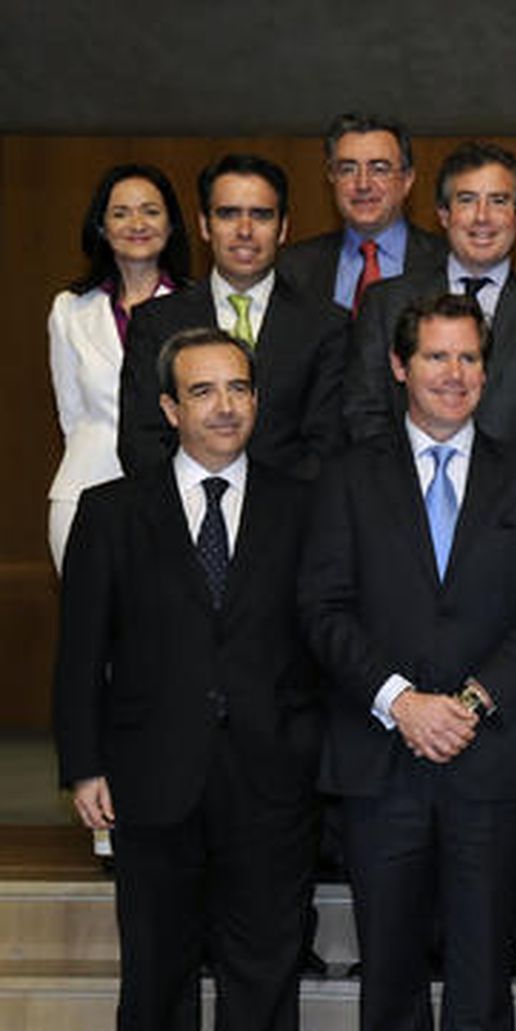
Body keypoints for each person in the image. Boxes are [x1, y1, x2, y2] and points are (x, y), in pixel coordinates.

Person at [301, 292, 516, 1031]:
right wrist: (401, 701)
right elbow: (322, 608)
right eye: (435, 356)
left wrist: (473, 703)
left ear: (487, 369)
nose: (453, 373)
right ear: (398, 365)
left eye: (468, 357)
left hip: (488, 759)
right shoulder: (348, 477)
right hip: (380, 758)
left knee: (484, 971)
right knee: (389, 972)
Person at [54, 327, 322, 1031]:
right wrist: (83, 767)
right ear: (170, 408)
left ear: (257, 400)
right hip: (152, 779)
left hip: (272, 780)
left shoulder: (304, 507)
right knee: (155, 979)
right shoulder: (110, 513)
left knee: (265, 979)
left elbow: (327, 638)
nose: (224, 406)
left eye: (238, 388)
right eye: (203, 391)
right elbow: (80, 652)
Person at [347, 141, 516, 476]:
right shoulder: (386, 303)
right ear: (444, 215)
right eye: (467, 200)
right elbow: (365, 414)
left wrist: (491, 506)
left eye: (499, 201)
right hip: (400, 505)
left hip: (512, 516)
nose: (482, 217)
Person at [118, 153, 348, 483]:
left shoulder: (327, 325)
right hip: (180, 517)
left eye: (261, 216)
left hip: (289, 516)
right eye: (228, 215)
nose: (244, 231)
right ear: (204, 225)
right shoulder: (155, 322)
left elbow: (327, 446)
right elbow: (141, 442)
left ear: (283, 228)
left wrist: (254, 503)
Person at [48, 163, 190, 572]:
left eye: (150, 210)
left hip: (172, 495)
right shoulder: (69, 310)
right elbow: (71, 416)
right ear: (101, 227)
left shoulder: (197, 306)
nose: (137, 223)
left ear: (172, 225)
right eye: (120, 212)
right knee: (90, 626)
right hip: (85, 488)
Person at [277, 112, 447, 314]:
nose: (363, 184)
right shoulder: (292, 267)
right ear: (332, 178)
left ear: (407, 180)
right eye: (348, 169)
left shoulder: (445, 260)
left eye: (379, 169)